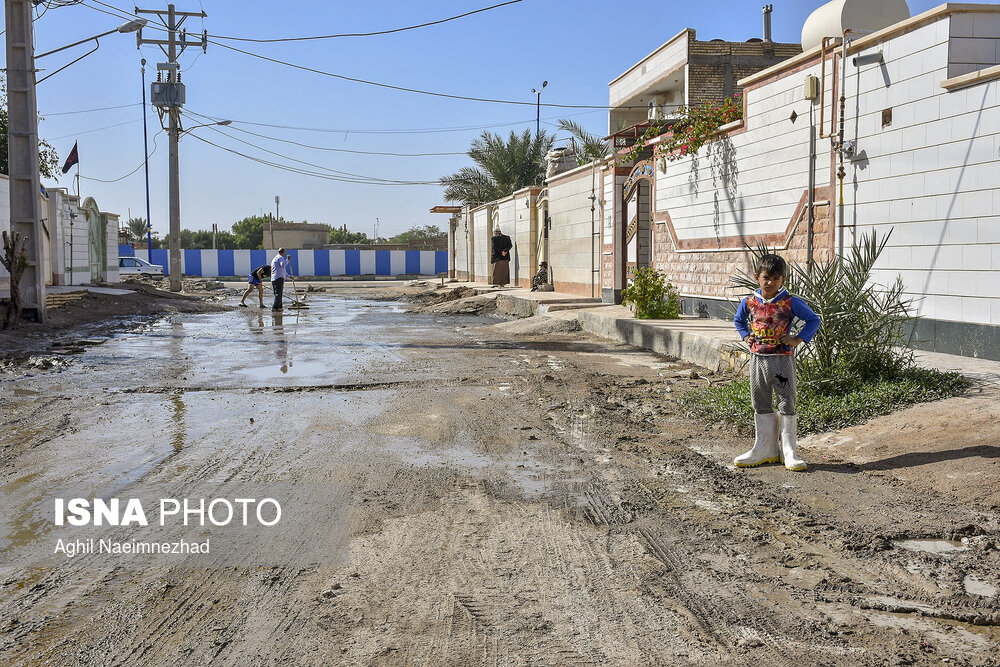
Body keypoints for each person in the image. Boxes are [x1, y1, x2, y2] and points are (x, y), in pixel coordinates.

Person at [733, 253, 820, 472]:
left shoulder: (789, 302)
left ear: (783, 281)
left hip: (782, 359)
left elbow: (813, 319)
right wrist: (745, 336)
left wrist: (797, 339)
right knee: (760, 400)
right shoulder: (750, 302)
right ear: (757, 277)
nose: (769, 282)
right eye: (765, 277)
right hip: (757, 359)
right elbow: (738, 320)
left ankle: (789, 451)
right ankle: (765, 448)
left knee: (786, 401)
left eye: (775, 278)